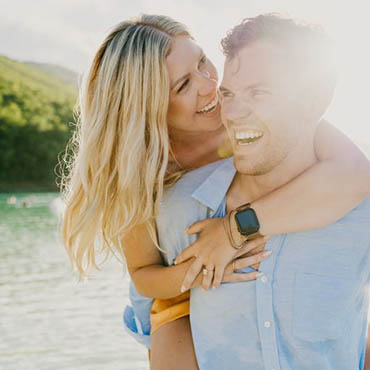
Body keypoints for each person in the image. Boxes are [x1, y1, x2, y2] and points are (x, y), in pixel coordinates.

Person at [60, 14, 370, 369]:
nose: (209, 85)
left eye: (203, 62)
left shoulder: (253, 116)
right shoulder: (145, 174)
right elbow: (145, 275)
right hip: (174, 296)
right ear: (148, 105)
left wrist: (231, 231)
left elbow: (354, 173)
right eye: (183, 85)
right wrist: (200, 267)